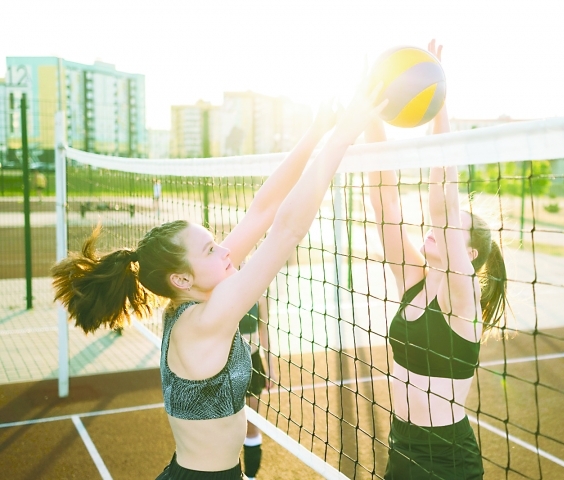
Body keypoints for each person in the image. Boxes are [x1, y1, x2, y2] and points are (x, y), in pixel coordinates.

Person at [51, 84, 387, 480]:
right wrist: (343, 137)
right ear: (181, 278)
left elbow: (263, 210)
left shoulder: (193, 299)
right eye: (211, 249)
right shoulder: (205, 320)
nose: (225, 251)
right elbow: (286, 230)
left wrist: (316, 132)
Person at [366, 40, 507, 479]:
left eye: (452, 228)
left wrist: (438, 101)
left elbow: (442, 205)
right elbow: (384, 204)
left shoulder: (462, 302)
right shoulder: (415, 280)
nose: (436, 228)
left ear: (468, 255)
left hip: (447, 463)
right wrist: (373, 113)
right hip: (400, 447)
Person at [238, 294, 276, 480]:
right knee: (225, 427)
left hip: (253, 363)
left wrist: (270, 368)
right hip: (224, 365)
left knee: (251, 425)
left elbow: (264, 331)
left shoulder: (259, 296)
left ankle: (251, 476)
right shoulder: (219, 290)